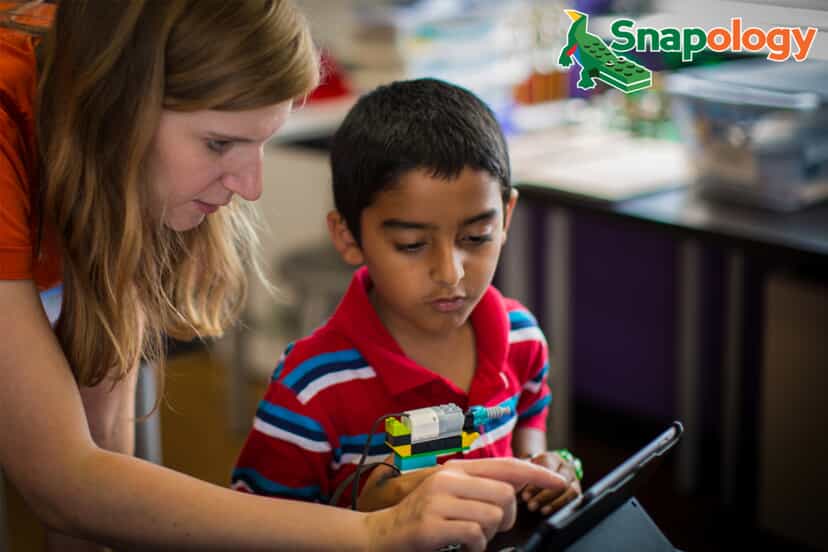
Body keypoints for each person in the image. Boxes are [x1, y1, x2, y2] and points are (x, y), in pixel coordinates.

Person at [0, 2, 567, 551]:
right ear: (117, 114)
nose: (251, 187)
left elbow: (102, 460)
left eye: (262, 142)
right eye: (220, 143)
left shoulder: (116, 120)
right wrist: (378, 533)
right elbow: (65, 484)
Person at [232, 79, 582, 515]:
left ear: (506, 216)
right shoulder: (311, 385)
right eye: (412, 245)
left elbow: (530, 409)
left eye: (476, 237)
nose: (450, 272)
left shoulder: (520, 337)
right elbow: (259, 523)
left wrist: (544, 467)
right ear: (348, 236)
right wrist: (368, 518)